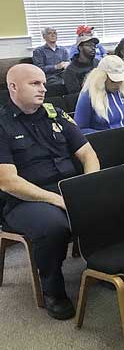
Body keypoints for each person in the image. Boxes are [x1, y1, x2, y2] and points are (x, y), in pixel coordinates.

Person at [0, 64, 99, 319]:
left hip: (66, 187)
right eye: (35, 84)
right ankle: (53, 290)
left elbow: (88, 153)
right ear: (13, 87)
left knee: (108, 202)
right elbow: (9, 182)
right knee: (53, 226)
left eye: (43, 83)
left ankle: (101, 266)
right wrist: (58, 200)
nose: (43, 89)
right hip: (23, 200)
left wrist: (89, 185)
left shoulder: (55, 114)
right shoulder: (2, 125)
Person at [73, 56, 124, 134]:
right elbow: (80, 129)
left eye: (120, 80)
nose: (118, 84)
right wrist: (106, 135)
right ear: (102, 78)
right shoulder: (88, 96)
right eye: (113, 81)